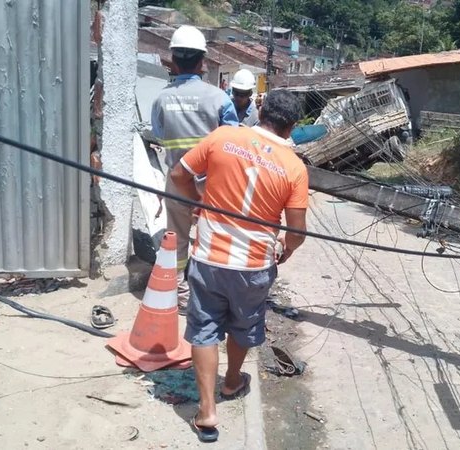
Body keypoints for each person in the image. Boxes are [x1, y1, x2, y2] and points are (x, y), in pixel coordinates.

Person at [169, 90, 308, 443]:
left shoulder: (222, 136)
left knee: (204, 328)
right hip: (254, 265)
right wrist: (285, 250)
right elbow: (296, 232)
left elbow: (178, 175)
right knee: (243, 326)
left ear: (261, 109)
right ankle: (231, 382)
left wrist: (197, 202)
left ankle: (207, 410)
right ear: (292, 126)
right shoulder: (294, 167)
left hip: (209, 258)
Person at [152, 26, 239, 314]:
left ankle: (181, 297)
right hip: (213, 185)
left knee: (176, 239)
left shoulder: (161, 99)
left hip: (177, 181)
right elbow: (232, 142)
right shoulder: (220, 99)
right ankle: (211, 297)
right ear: (203, 62)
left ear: (173, 61)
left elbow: (160, 135)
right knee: (212, 240)